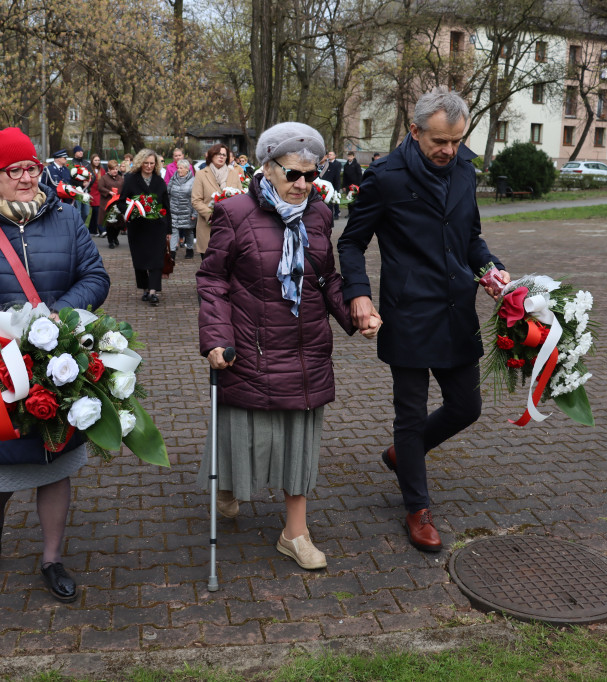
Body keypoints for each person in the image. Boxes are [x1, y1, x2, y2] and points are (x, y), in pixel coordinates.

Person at [0, 127, 110, 603]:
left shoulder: (67, 218)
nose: (29, 177)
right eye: (17, 170)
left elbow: (95, 275)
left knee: (56, 458)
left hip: (58, 363)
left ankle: (52, 557)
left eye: (33, 167)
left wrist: (61, 313)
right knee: (0, 464)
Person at [197, 122, 376, 571]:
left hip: (305, 345)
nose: (302, 184)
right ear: (267, 168)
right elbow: (213, 279)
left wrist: (355, 309)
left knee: (298, 441)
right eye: (293, 174)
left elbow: (324, 275)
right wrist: (217, 338)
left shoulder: (318, 214)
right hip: (250, 345)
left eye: (310, 176)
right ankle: (227, 487)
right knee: (243, 436)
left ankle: (294, 533)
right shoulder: (234, 212)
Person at [337, 86, 509, 553]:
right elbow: (351, 243)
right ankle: (417, 506)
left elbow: (471, 237)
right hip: (409, 312)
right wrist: (358, 295)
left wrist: (490, 269)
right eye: (439, 142)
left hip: (457, 310)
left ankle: (401, 456)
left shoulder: (464, 170)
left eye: (456, 141)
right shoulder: (386, 177)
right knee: (410, 415)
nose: (449, 151)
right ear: (414, 132)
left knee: (466, 407)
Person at [116, 149, 171, 306]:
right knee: (140, 260)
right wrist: (131, 210)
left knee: (156, 260)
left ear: (156, 164)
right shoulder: (131, 180)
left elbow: (167, 207)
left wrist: (169, 229)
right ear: (140, 163)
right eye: (146, 163)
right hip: (137, 228)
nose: (148, 166)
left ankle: (153, 291)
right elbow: (121, 201)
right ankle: (145, 288)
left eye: (152, 163)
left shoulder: (160, 182)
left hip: (157, 227)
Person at [191, 144, 242, 259]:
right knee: (209, 265)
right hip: (208, 227)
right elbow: (196, 200)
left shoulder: (233, 174)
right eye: (218, 154)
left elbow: (240, 197)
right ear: (211, 156)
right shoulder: (201, 174)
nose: (221, 157)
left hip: (230, 227)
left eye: (224, 155)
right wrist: (211, 215)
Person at [167, 158, 197, 259]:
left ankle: (190, 250)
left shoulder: (193, 181)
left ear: (187, 169)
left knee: (188, 231)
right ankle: (172, 252)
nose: (179, 170)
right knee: (174, 230)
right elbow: (168, 192)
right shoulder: (173, 178)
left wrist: (194, 213)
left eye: (181, 168)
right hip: (174, 210)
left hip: (187, 211)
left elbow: (195, 198)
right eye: (178, 167)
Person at [97, 159, 125, 248]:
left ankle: (115, 237)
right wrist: (108, 192)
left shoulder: (120, 178)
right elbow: (100, 187)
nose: (115, 171)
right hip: (107, 203)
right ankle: (110, 241)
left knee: (119, 223)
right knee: (110, 224)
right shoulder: (104, 178)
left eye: (116, 169)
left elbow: (124, 188)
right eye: (113, 169)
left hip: (118, 203)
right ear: (109, 169)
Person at [67, 146, 91, 228]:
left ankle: (81, 226)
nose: (81, 152)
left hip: (85, 191)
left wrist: (88, 182)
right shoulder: (71, 164)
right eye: (79, 151)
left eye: (82, 151)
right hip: (76, 191)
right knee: (78, 211)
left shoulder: (86, 163)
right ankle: (78, 228)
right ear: (75, 153)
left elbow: (92, 176)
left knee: (86, 212)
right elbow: (70, 178)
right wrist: (81, 184)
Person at [320, 151, 342, 219]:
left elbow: (337, 178)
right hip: (320, 189)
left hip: (330, 189)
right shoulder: (318, 165)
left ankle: (335, 214)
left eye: (330, 154)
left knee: (331, 205)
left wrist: (336, 189)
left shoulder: (335, 165)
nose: (329, 156)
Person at [87, 154, 105, 237]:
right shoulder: (89, 169)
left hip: (100, 193)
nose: (97, 162)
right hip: (92, 193)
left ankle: (92, 230)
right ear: (92, 161)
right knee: (96, 211)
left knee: (95, 212)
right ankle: (102, 230)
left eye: (98, 160)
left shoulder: (102, 170)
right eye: (95, 160)